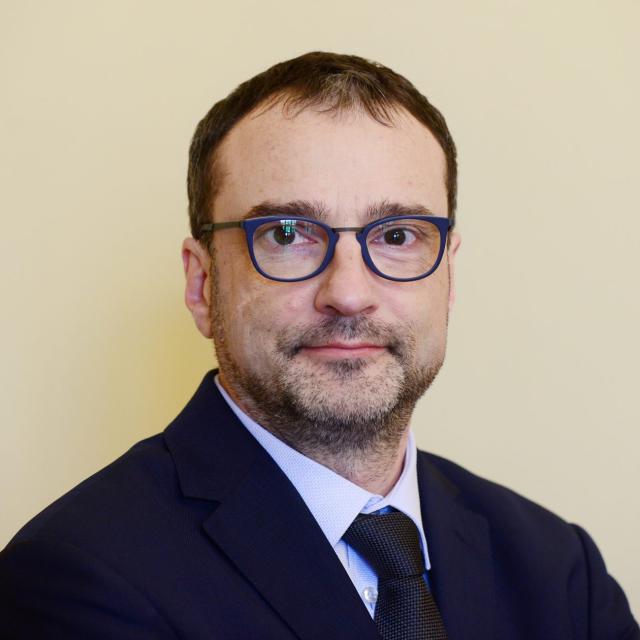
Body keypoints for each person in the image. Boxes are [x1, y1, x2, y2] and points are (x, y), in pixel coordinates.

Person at [0, 51, 637, 640]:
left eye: (397, 236)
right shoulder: (77, 577)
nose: (349, 294)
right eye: (287, 233)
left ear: (448, 275)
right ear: (202, 284)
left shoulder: (560, 571)